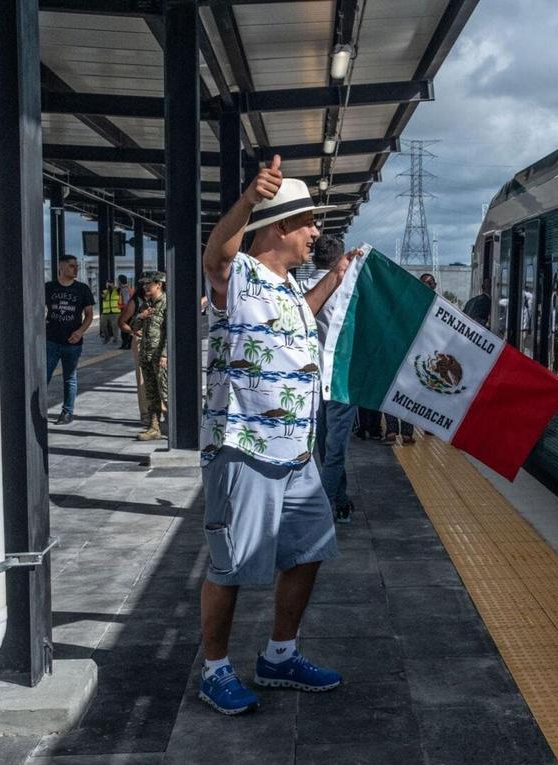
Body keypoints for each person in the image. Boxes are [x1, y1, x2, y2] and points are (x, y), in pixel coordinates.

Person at [198, 155, 358, 715]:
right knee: (230, 562)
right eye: (309, 221)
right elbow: (215, 256)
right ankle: (215, 668)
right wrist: (246, 200)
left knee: (310, 549)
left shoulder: (289, 286)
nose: (317, 232)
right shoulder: (238, 274)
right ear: (280, 226)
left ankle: (279, 655)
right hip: (245, 447)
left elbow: (295, 325)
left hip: (297, 454)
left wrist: (333, 283)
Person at [303, 236, 357, 523]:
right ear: (339, 260)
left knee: (324, 448)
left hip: (312, 382)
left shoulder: (300, 289)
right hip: (341, 381)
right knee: (335, 451)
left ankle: (341, 499)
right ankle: (323, 511)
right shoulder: (348, 292)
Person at [385, 271, 439, 445]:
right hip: (403, 353)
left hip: (424, 356)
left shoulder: (439, 307)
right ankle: (393, 430)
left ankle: (408, 432)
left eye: (430, 284)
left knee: (412, 394)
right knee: (394, 392)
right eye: (424, 283)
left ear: (435, 286)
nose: (427, 286)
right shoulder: (408, 303)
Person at [45, 255, 95, 425]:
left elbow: (89, 315)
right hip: (50, 340)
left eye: (77, 267)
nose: (76, 269)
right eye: (72, 266)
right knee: (43, 377)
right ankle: (37, 411)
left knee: (70, 378)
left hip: (73, 343)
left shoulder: (82, 289)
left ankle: (67, 412)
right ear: (61, 267)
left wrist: (80, 331)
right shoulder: (48, 288)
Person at [134, 272, 168, 441]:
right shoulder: (146, 305)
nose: (145, 287)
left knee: (166, 392)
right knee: (151, 393)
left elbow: (171, 330)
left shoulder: (166, 303)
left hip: (159, 356)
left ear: (158, 285)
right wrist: (141, 316)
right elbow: (135, 327)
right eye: (144, 284)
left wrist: (165, 354)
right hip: (146, 355)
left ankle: (180, 427)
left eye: (149, 283)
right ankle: (154, 428)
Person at [118, 273, 151, 426]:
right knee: (142, 378)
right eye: (145, 284)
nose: (147, 287)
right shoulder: (136, 302)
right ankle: (145, 414)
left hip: (160, 341)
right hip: (141, 341)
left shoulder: (162, 300)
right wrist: (132, 331)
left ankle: (161, 412)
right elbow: (122, 322)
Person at [117, 275, 134, 349]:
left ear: (120, 281)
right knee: (128, 327)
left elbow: (126, 302)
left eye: (118, 281)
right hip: (129, 310)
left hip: (125, 310)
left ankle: (127, 344)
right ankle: (128, 344)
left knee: (124, 328)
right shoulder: (128, 289)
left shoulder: (124, 290)